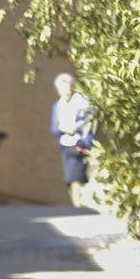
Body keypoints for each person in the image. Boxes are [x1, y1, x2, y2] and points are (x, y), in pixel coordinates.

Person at [50, 73, 93, 206]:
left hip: (79, 142)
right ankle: (77, 204)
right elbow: (54, 128)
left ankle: (78, 206)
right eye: (63, 87)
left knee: (75, 176)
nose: (66, 90)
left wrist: (76, 127)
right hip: (65, 144)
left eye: (68, 86)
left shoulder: (83, 102)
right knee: (70, 179)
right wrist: (63, 128)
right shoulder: (58, 106)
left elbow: (90, 119)